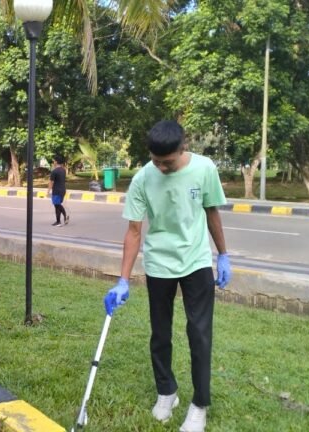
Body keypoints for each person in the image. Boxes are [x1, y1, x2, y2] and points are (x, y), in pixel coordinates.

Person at [103, 120, 231, 432]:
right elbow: (134, 231)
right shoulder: (143, 177)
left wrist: (223, 254)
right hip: (159, 264)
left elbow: (212, 211)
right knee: (160, 334)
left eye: (167, 162)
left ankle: (199, 404)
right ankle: (166, 392)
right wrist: (123, 278)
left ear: (182, 149)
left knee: (199, 334)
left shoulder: (204, 169)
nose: (160, 168)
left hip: (196, 261)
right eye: (155, 161)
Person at [47, 155, 69, 227]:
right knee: (56, 206)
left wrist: (48, 191)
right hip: (63, 190)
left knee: (57, 205)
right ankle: (58, 221)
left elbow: (51, 182)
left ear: (56, 162)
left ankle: (65, 215)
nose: (53, 162)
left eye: (54, 161)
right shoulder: (63, 170)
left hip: (56, 190)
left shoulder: (54, 171)